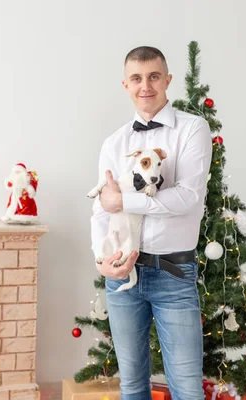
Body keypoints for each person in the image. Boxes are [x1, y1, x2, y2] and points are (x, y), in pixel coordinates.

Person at [90, 46, 212, 400]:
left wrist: (122, 201)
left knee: (188, 388)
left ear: (167, 80)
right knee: (131, 386)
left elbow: (188, 197)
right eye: (137, 78)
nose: (146, 86)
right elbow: (102, 210)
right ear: (126, 85)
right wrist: (101, 258)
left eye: (154, 76)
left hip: (173, 273)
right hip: (121, 277)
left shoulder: (193, 129)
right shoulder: (114, 143)